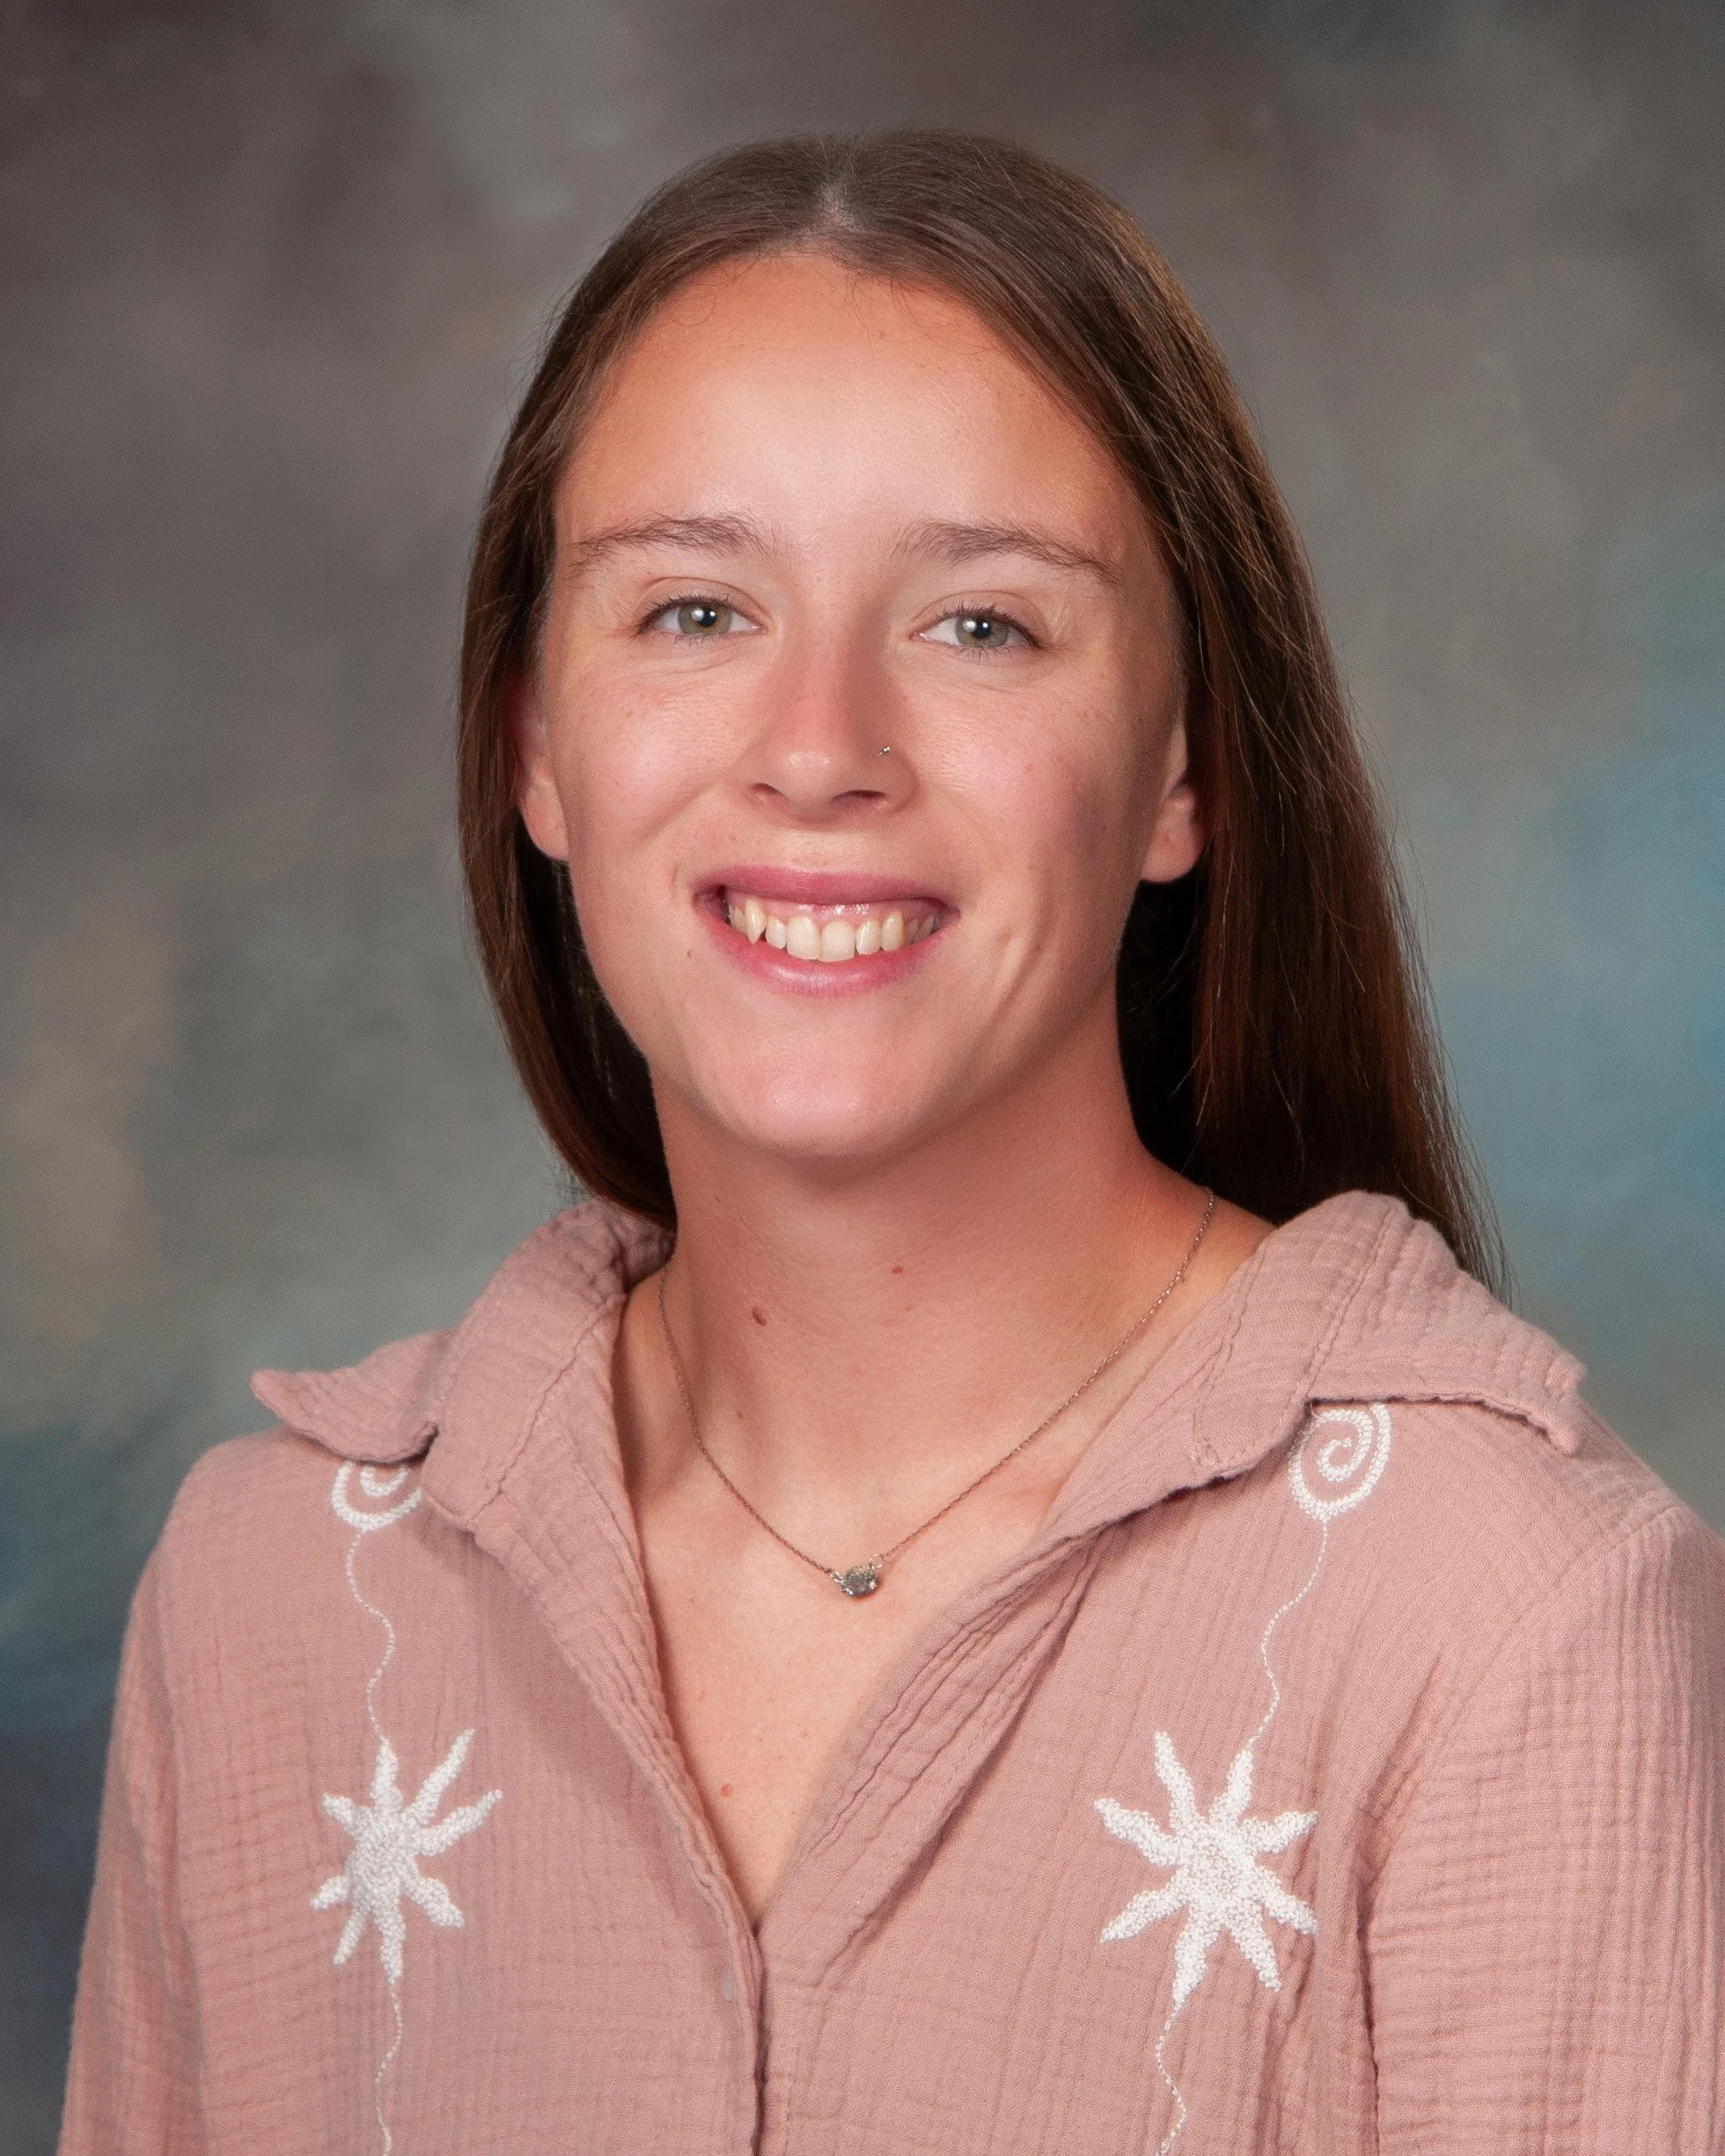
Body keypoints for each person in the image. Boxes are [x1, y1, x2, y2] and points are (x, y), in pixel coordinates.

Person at [61, 131, 1723, 2155]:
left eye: (980, 625)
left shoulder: (1510, 1619)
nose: (819, 747)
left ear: (1183, 767)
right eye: (693, 608)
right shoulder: (274, 1603)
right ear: (534, 747)